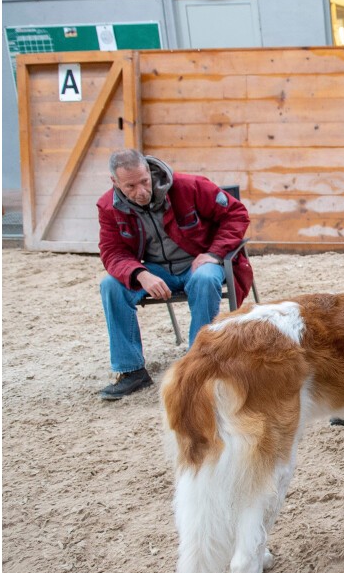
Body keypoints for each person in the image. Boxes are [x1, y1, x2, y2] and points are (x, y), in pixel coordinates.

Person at [96, 149, 252, 401]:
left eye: (144, 181)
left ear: (149, 170)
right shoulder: (107, 206)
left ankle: (197, 366)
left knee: (204, 279)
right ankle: (131, 370)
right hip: (155, 269)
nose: (141, 191)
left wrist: (214, 253)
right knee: (110, 285)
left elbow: (236, 214)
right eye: (131, 186)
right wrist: (140, 274)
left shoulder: (190, 186)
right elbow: (112, 252)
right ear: (115, 182)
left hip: (200, 262)